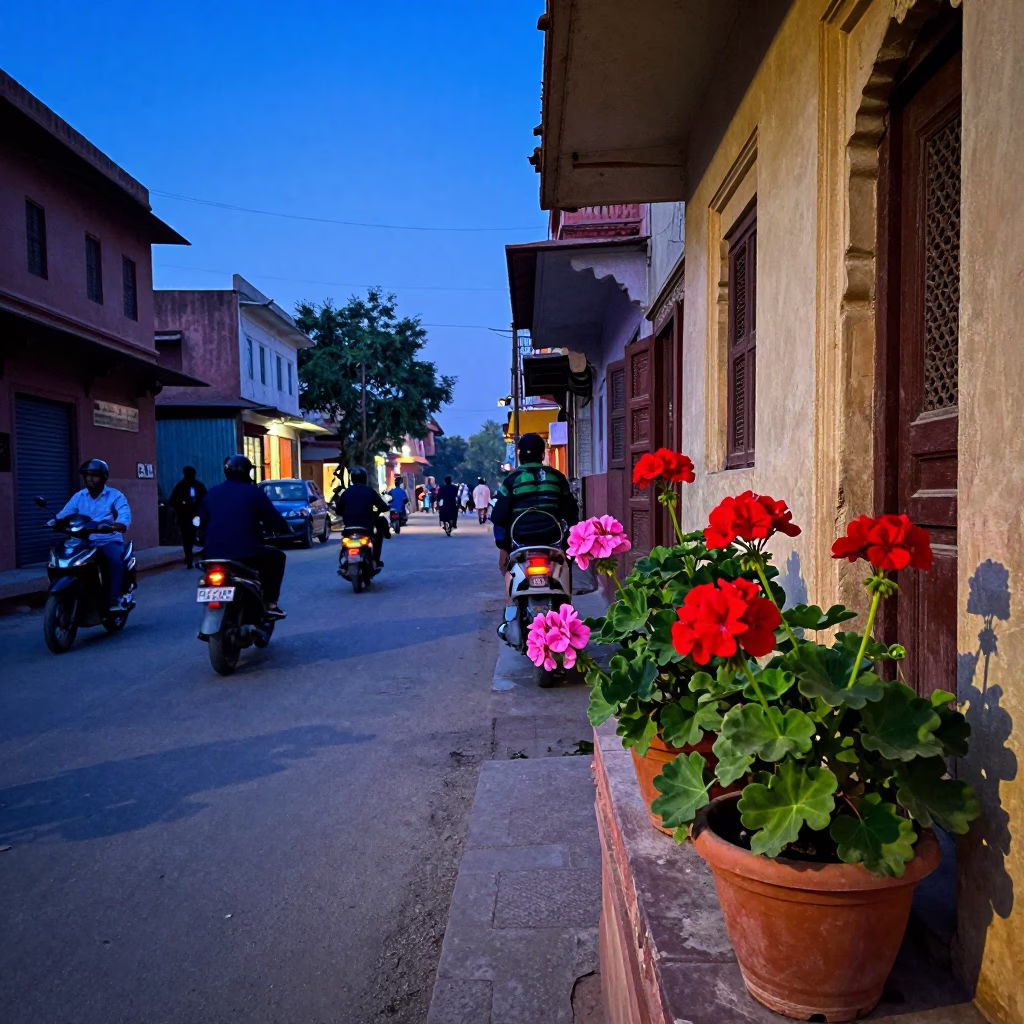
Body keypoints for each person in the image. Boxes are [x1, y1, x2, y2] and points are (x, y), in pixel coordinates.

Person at [198, 455, 290, 617]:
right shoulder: (254, 493)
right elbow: (273, 519)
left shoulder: (211, 493)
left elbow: (201, 523)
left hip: (212, 553)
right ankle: (270, 603)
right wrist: (284, 528)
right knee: (277, 557)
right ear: (247, 471)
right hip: (246, 554)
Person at [491, 433, 580, 575]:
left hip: (520, 538)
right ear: (543, 454)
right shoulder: (557, 477)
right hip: (552, 537)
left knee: (506, 569)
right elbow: (571, 514)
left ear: (519, 455)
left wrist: (503, 549)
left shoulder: (512, 479)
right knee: (565, 570)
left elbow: (499, 517)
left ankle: (510, 597)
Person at [57, 458, 131, 613]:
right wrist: (54, 521)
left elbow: (124, 516)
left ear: (104, 476)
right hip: (83, 541)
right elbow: (64, 514)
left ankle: (114, 599)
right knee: (62, 557)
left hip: (108, 540)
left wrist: (116, 525)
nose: (89, 478)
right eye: (86, 475)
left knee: (114, 561)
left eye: (94, 475)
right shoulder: (79, 496)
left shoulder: (115, 496)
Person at [333, 465, 391, 564]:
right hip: (366, 526)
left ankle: (344, 561)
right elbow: (383, 506)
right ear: (365, 477)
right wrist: (381, 510)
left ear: (352, 478)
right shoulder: (369, 491)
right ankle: (376, 559)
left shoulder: (346, 492)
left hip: (349, 527)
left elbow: (338, 511)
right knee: (380, 529)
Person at [168, 466, 207, 569]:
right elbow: (173, 501)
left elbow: (206, 500)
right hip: (186, 516)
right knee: (188, 537)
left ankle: (189, 557)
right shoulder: (182, 486)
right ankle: (189, 558)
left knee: (189, 537)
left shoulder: (196, 486)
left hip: (193, 516)